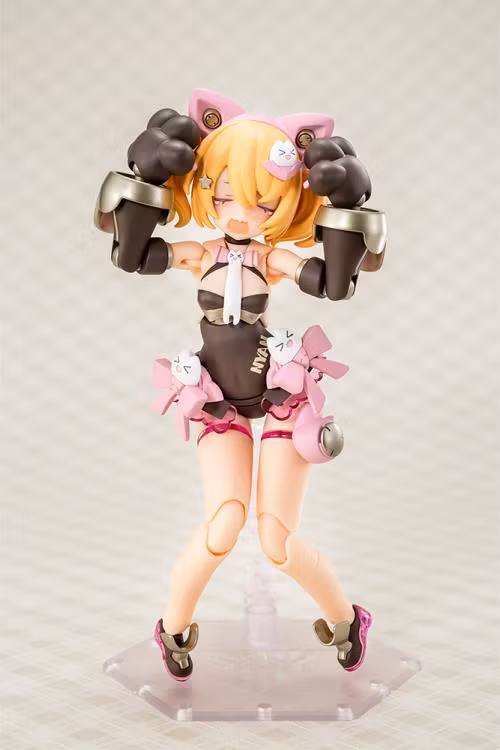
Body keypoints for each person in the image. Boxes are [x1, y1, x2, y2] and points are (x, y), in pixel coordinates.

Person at [94, 88, 387, 681]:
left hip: (279, 395)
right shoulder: (199, 254)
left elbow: (334, 284)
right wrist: (143, 179)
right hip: (217, 398)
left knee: (276, 539)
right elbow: (132, 255)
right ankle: (173, 628)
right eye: (224, 193)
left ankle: (345, 621)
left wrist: (348, 206)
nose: (237, 212)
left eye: (259, 201)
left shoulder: (272, 260)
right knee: (224, 523)